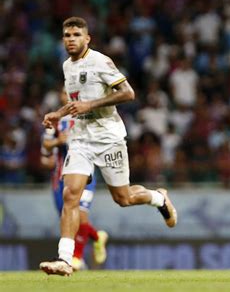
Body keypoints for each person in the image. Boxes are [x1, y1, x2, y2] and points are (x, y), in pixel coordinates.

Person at [40, 17, 177, 276]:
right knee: (71, 195)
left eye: (76, 34)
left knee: (123, 198)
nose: (71, 39)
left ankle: (159, 198)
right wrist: (59, 113)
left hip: (108, 138)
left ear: (87, 38)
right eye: (67, 35)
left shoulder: (100, 62)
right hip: (80, 138)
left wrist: (90, 106)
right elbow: (77, 102)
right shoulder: (67, 66)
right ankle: (65, 260)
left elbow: (128, 93)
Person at [40, 88, 108, 271]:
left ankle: (76, 258)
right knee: (69, 219)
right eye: (63, 92)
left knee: (81, 213)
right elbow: (46, 144)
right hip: (60, 176)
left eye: (70, 92)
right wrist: (57, 142)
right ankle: (96, 236)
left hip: (86, 173)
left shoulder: (87, 117)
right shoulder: (56, 121)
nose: (66, 95)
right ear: (61, 96)